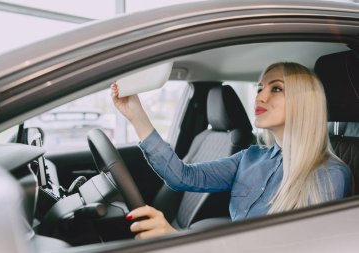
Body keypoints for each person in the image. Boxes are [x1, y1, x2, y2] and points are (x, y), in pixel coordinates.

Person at [111, 62, 351, 240]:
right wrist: (136, 115)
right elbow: (182, 176)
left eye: (276, 89)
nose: (260, 96)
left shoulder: (329, 173)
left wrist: (176, 240)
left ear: (305, 103)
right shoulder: (250, 157)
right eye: (259, 88)